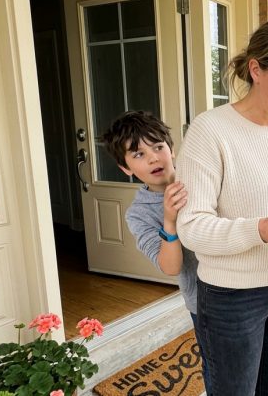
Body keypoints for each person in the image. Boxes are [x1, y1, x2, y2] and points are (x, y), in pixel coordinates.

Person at [175, 19, 268, 396]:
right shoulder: (210, 130)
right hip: (231, 297)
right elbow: (191, 227)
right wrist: (260, 230)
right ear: (256, 69)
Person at [101, 110, 208, 385]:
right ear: (125, 168)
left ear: (171, 149)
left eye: (158, 147)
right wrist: (169, 220)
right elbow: (170, 267)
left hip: (243, 283)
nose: (153, 158)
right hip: (205, 301)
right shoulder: (138, 214)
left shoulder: (200, 177)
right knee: (220, 369)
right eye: (138, 154)